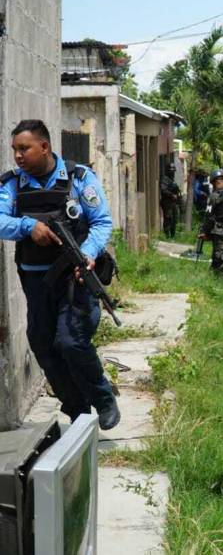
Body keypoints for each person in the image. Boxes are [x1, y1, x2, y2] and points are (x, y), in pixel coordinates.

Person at [0, 119, 120, 430]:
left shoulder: (79, 178)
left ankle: (104, 399)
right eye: (15, 150)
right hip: (36, 281)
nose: (18, 156)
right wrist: (28, 226)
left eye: (24, 148)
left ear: (45, 146)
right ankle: (77, 409)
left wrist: (89, 254)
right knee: (41, 343)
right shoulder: (13, 184)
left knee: (71, 342)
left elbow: (102, 222)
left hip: (75, 277)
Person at [159, 163, 181, 239]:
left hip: (173, 202)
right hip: (167, 202)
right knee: (168, 218)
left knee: (174, 218)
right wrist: (172, 195)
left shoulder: (171, 179)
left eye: (173, 171)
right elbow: (163, 190)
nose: (173, 173)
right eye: (171, 171)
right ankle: (167, 235)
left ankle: (172, 235)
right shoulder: (165, 179)